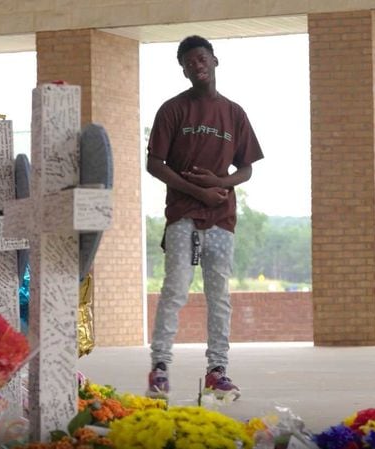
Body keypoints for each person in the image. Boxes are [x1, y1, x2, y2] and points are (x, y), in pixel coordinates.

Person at [145, 35, 264, 398]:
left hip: (221, 218)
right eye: (188, 62)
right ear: (183, 70)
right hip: (183, 214)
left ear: (214, 61)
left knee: (219, 295)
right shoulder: (172, 110)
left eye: (201, 58)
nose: (196, 65)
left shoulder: (234, 113)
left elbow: (246, 168)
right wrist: (197, 191)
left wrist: (220, 183)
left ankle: (217, 370)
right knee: (175, 290)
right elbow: (154, 163)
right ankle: (160, 368)